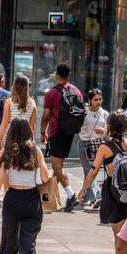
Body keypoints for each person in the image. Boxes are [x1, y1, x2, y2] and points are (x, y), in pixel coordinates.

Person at [0, 117, 48, 254]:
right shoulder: (35, 151)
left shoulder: (5, 153)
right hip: (31, 197)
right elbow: (45, 177)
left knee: (10, 236)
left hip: (12, 197)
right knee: (28, 241)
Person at [77, 111, 127, 245]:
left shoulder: (105, 148)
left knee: (119, 239)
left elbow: (93, 172)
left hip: (114, 193)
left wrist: (83, 190)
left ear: (109, 127)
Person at [40, 63, 82, 212]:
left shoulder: (51, 93)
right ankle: (47, 197)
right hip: (70, 133)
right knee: (58, 168)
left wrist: (42, 132)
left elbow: (45, 116)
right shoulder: (76, 91)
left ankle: (71, 194)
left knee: (57, 167)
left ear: (57, 74)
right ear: (68, 75)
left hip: (56, 132)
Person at [79, 88, 109, 207]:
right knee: (89, 170)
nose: (98, 102)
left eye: (100, 99)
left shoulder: (105, 113)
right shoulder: (84, 112)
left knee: (92, 171)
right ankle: (96, 196)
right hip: (84, 144)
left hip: (98, 145)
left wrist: (103, 130)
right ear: (90, 101)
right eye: (95, 99)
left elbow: (110, 130)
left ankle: (85, 197)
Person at [0, 73, 37, 144]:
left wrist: (0, 138)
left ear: (15, 86)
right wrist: (31, 141)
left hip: (10, 138)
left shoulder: (9, 102)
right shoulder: (33, 103)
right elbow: (32, 126)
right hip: (25, 139)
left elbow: (4, 124)